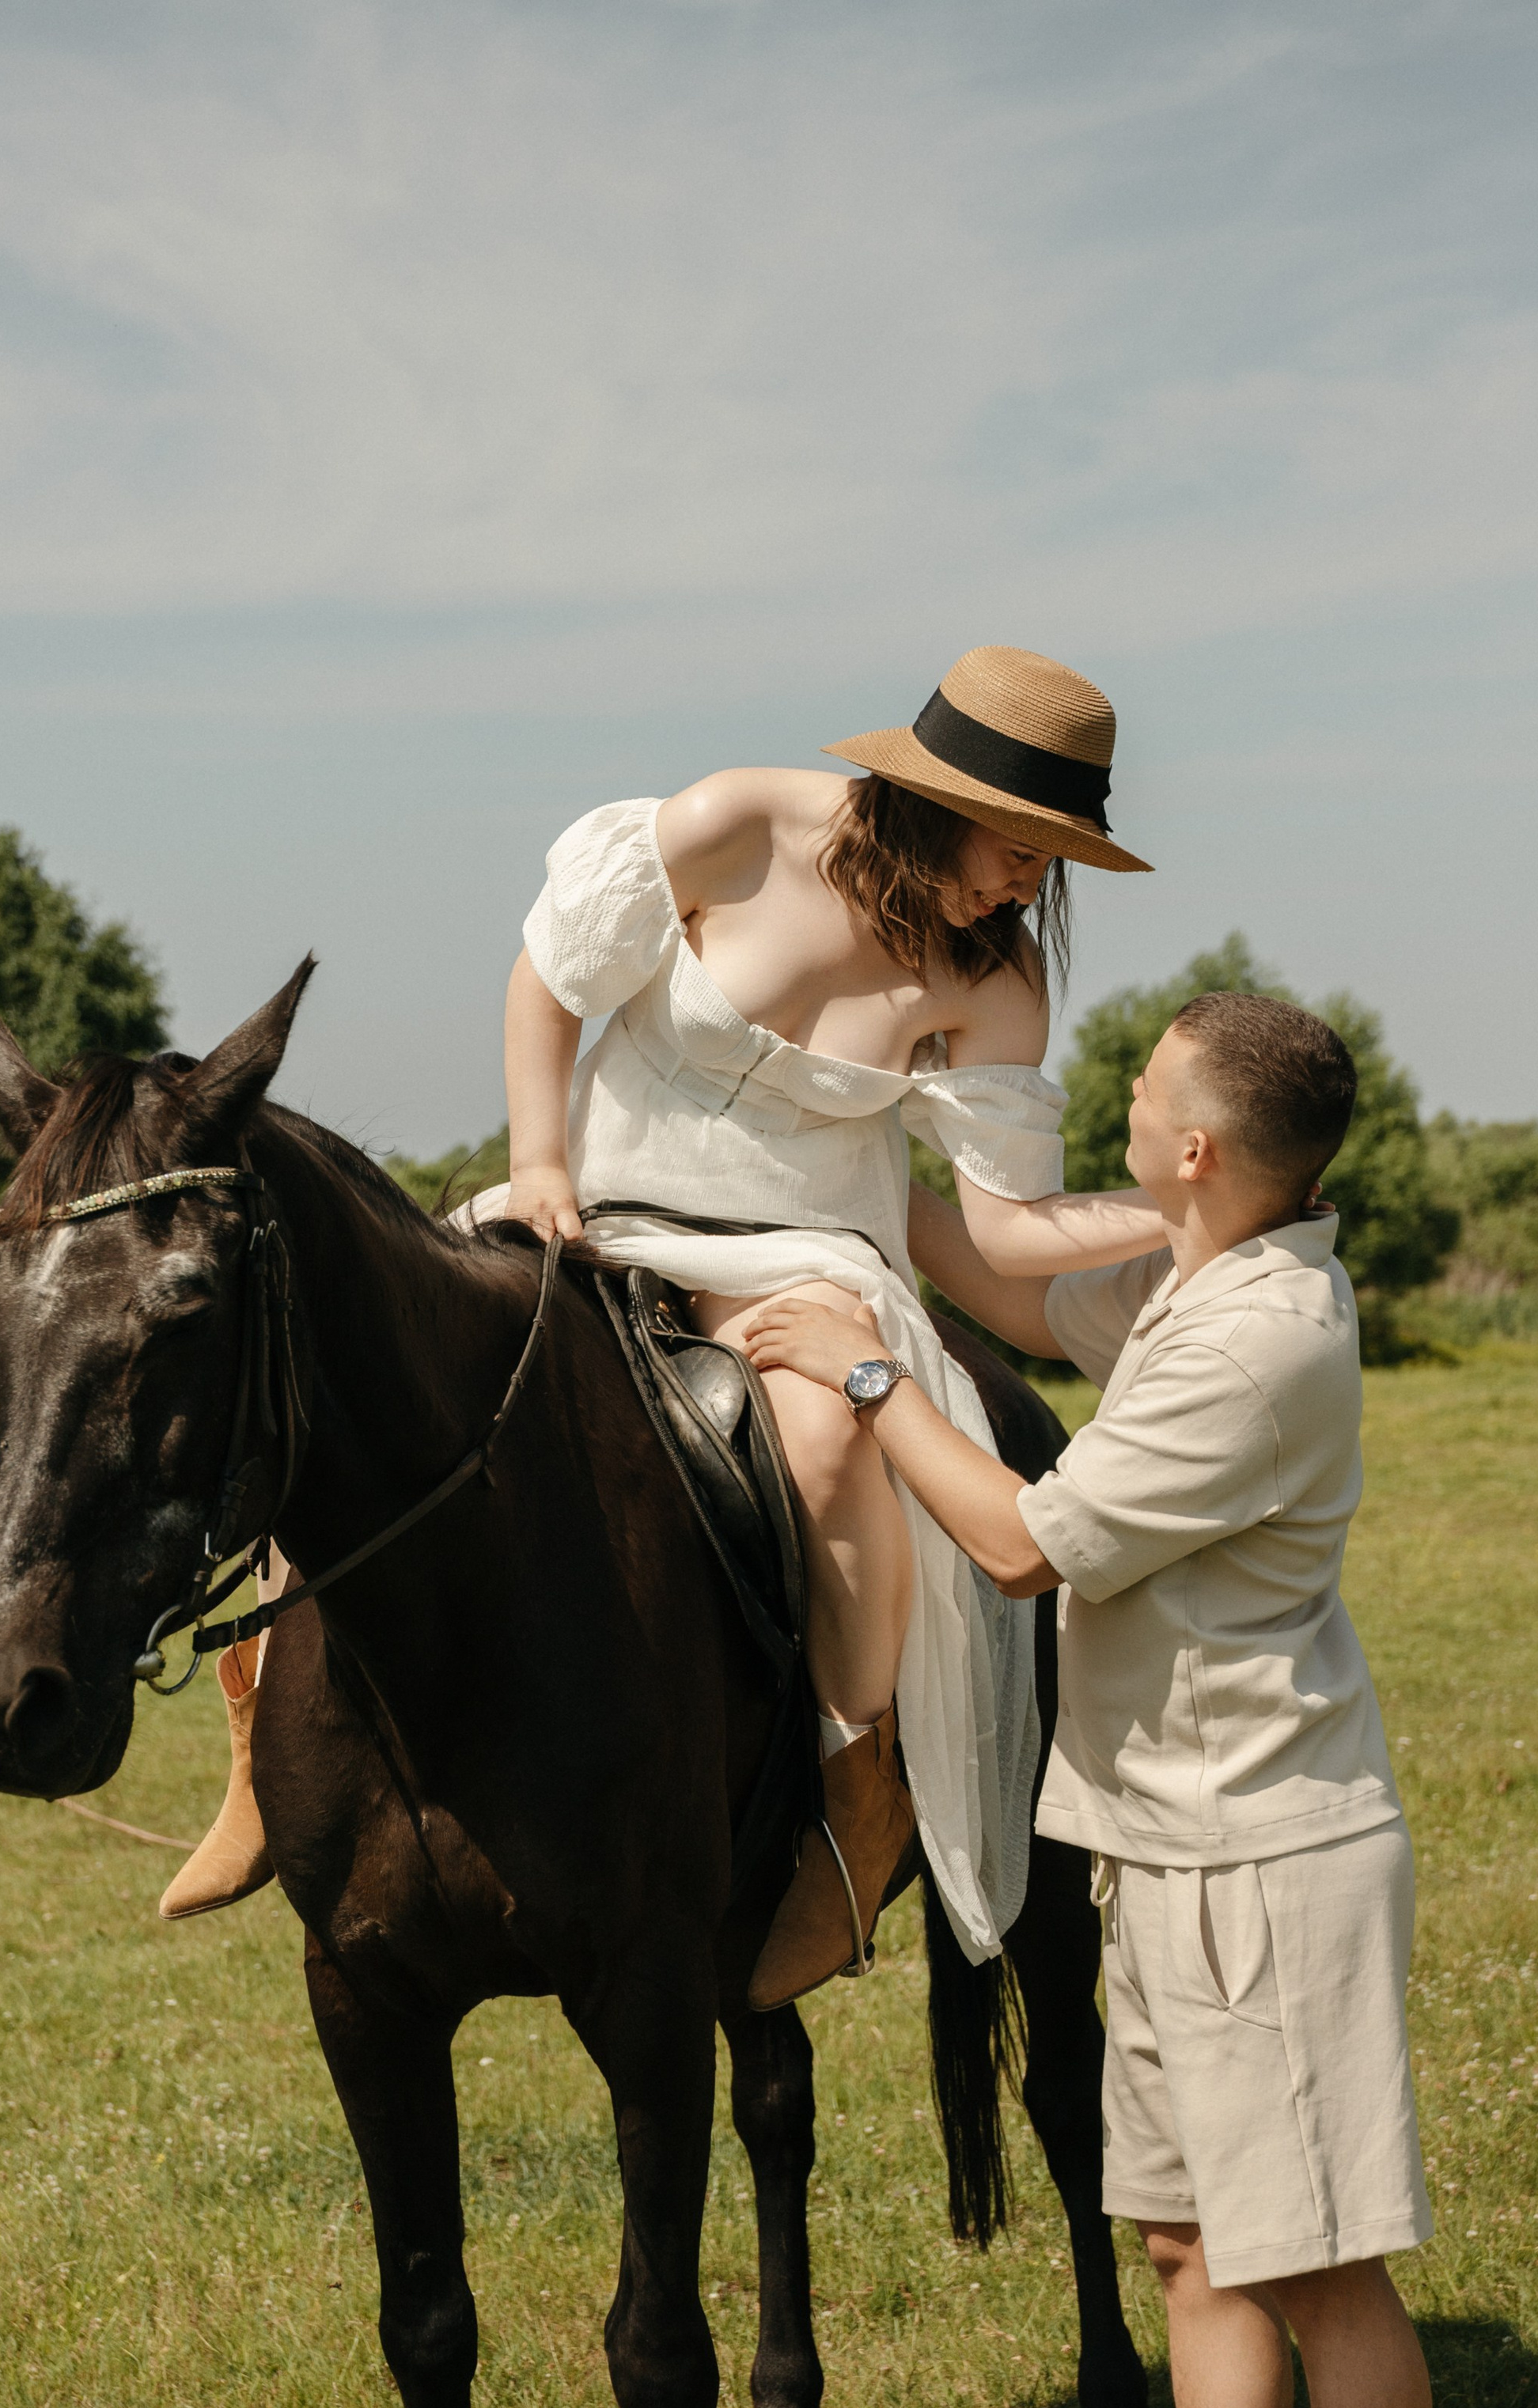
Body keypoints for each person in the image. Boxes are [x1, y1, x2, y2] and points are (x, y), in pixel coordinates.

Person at [161, 645, 1173, 1971]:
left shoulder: (997, 983)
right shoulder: (734, 826)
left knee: (826, 1452)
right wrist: (538, 1165)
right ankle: (259, 1749)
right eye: (1019, 843)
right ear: (931, 795)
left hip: (810, 1255)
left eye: (1053, 858)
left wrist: (1194, 1209)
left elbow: (1001, 1232)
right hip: (601, 1214)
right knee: (369, 1360)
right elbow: (550, 983)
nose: (1028, 882)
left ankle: (854, 1806)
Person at [741, 992, 1456, 2408]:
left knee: (1322, 2266)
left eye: (1139, 1095)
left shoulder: (1258, 1339)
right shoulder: (1196, 1271)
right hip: (1164, 1835)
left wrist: (865, 1377)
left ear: (1194, 1149)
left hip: (1264, 1850)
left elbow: (1009, 1536)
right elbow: (984, 1273)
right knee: (1191, 2242)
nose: (1115, 1106)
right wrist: (839, 1127)